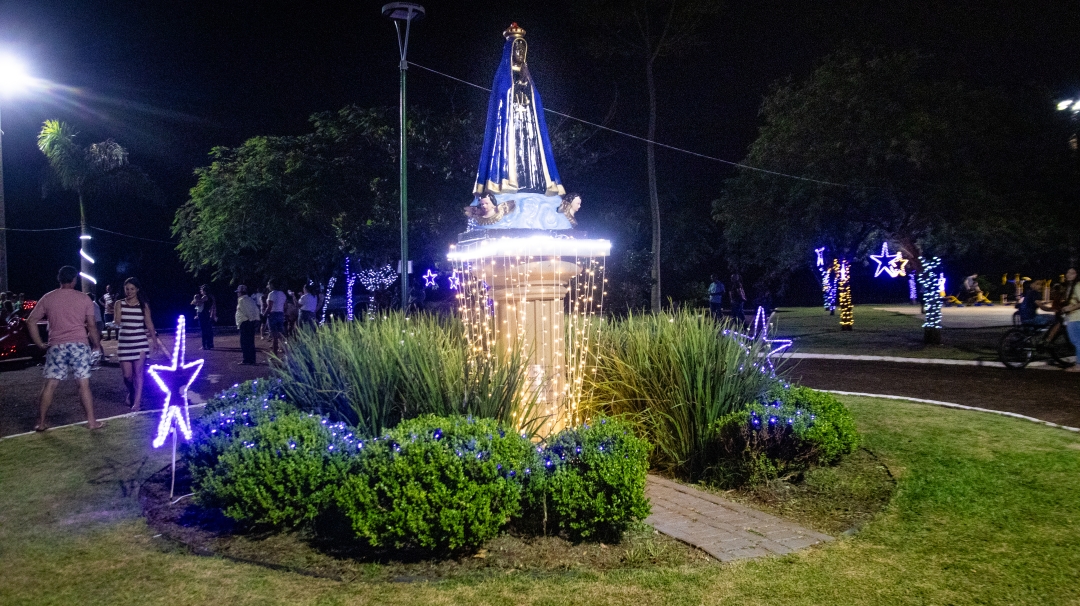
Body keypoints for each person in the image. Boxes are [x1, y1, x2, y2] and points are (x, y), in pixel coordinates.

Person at [25, 266, 103, 431]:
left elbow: (30, 321)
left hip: (56, 345)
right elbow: (91, 326)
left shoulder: (48, 298)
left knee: (50, 385)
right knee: (83, 385)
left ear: (59, 279)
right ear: (75, 279)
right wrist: (96, 345)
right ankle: (91, 422)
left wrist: (39, 344)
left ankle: (41, 422)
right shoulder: (84, 299)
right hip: (80, 345)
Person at [115, 277, 164, 410]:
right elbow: (117, 322)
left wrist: (154, 340)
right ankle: (131, 392)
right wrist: (116, 316)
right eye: (127, 289)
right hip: (124, 344)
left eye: (132, 289)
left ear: (137, 290)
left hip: (140, 343)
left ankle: (137, 402)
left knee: (138, 373)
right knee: (127, 376)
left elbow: (149, 323)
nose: (129, 292)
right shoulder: (119, 304)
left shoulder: (143, 305)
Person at [234, 285, 260, 365]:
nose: (237, 294)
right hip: (250, 322)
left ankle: (247, 359)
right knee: (250, 342)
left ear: (241, 292)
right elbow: (256, 310)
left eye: (238, 292)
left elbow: (246, 312)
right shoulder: (250, 299)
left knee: (244, 342)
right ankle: (252, 359)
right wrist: (256, 320)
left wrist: (251, 319)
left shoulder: (241, 300)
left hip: (245, 323)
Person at [1061, 267, 1080, 373]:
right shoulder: (1071, 286)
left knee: (1076, 341)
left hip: (1076, 317)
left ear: (1077, 275)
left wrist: (1070, 308)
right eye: (1068, 272)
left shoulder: (1077, 286)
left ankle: (1078, 365)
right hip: (1074, 317)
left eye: (1072, 273)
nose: (1069, 274)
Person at [263, 279, 287, 355]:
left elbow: (269, 307)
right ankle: (284, 352)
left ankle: (275, 353)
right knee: (281, 335)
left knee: (274, 336)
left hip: (273, 315)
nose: (268, 286)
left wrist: (264, 315)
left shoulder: (272, 294)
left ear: (272, 285)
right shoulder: (282, 294)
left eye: (268, 284)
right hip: (281, 314)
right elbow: (285, 306)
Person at [191, 284, 216, 350]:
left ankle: (205, 345)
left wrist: (194, 301)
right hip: (206, 314)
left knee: (204, 330)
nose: (200, 291)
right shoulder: (211, 296)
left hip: (203, 315)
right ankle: (210, 344)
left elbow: (198, 303)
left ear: (204, 290)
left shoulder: (205, 297)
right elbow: (213, 306)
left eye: (201, 289)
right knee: (208, 329)